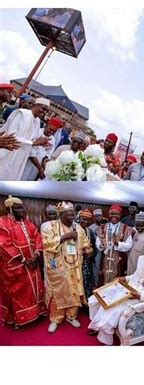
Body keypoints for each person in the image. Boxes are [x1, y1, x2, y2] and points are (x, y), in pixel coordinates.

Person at [88, 236, 144, 345]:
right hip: (129, 291)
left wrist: (140, 296)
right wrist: (124, 278)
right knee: (99, 298)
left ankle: (105, 336)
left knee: (113, 307)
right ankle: (97, 325)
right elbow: (135, 276)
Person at [42, 202, 92, 333]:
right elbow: (46, 243)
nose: (71, 217)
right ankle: (56, 318)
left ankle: (71, 316)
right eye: (68, 215)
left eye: (73, 214)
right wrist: (64, 237)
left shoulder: (77, 227)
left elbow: (85, 240)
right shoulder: (50, 226)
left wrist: (88, 248)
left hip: (75, 266)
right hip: (58, 268)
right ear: (60, 215)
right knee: (58, 293)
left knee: (74, 291)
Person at [0, 196, 46, 328]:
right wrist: (24, 259)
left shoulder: (27, 223)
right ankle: (17, 319)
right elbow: (4, 244)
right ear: (10, 209)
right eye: (18, 208)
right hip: (15, 265)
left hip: (32, 262)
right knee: (17, 292)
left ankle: (37, 312)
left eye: (22, 207)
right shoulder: (3, 222)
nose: (22, 210)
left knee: (36, 289)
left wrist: (37, 254)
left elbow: (37, 236)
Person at [0, 97, 51, 180]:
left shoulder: (38, 121)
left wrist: (40, 143)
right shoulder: (21, 114)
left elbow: (33, 141)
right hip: (7, 154)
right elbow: (10, 136)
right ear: (36, 105)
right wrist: (33, 143)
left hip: (20, 158)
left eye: (47, 111)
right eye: (43, 108)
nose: (44, 112)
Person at [96, 204, 133, 285]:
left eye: (116, 214)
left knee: (118, 283)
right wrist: (100, 245)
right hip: (105, 259)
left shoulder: (126, 228)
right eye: (112, 214)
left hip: (119, 261)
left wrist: (117, 243)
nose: (114, 216)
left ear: (120, 215)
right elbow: (98, 242)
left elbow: (129, 245)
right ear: (108, 215)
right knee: (103, 281)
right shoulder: (102, 228)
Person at [78, 209, 97, 302]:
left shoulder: (90, 231)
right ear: (79, 218)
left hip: (88, 263)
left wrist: (92, 253)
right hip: (76, 262)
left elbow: (94, 246)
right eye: (83, 219)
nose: (85, 222)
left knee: (88, 282)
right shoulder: (74, 229)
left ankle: (87, 302)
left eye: (88, 220)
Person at [127, 211, 144, 275]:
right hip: (130, 258)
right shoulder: (132, 230)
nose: (139, 229)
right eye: (137, 226)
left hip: (141, 261)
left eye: (141, 226)